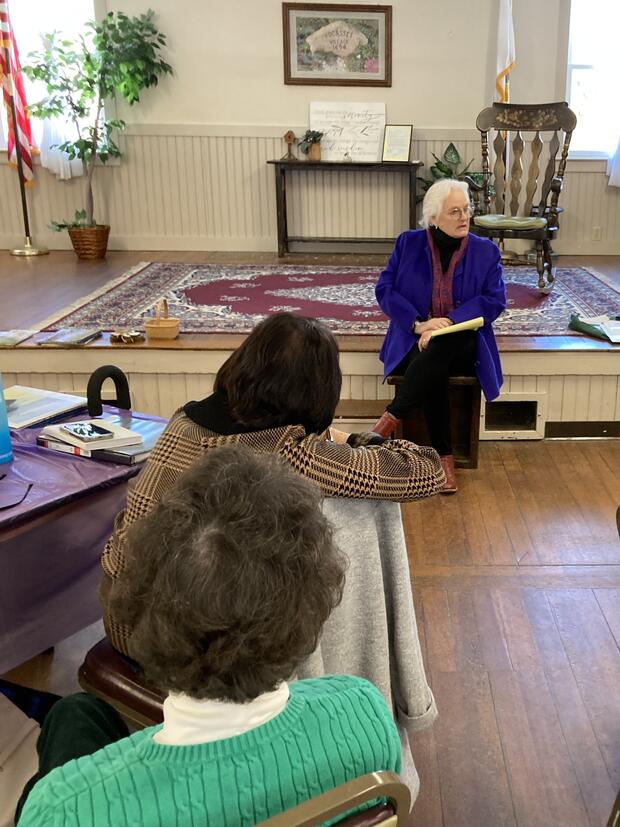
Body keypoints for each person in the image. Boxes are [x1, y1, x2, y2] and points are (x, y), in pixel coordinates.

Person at [17, 446, 402, 827]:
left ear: (143, 606)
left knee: (75, 713)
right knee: (78, 713)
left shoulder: (60, 809)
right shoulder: (366, 717)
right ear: (310, 607)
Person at [101, 312, 445, 657]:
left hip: (121, 613)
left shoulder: (186, 418)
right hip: (178, 652)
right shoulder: (285, 449)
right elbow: (426, 471)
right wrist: (347, 439)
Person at [372, 179, 506, 493]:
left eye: (467, 210)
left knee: (442, 345)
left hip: (464, 340)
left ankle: (390, 419)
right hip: (413, 339)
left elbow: (494, 300)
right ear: (433, 218)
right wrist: (419, 325)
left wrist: (447, 323)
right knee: (434, 364)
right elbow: (385, 290)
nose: (464, 217)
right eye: (454, 211)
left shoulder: (486, 252)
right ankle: (444, 459)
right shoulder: (408, 243)